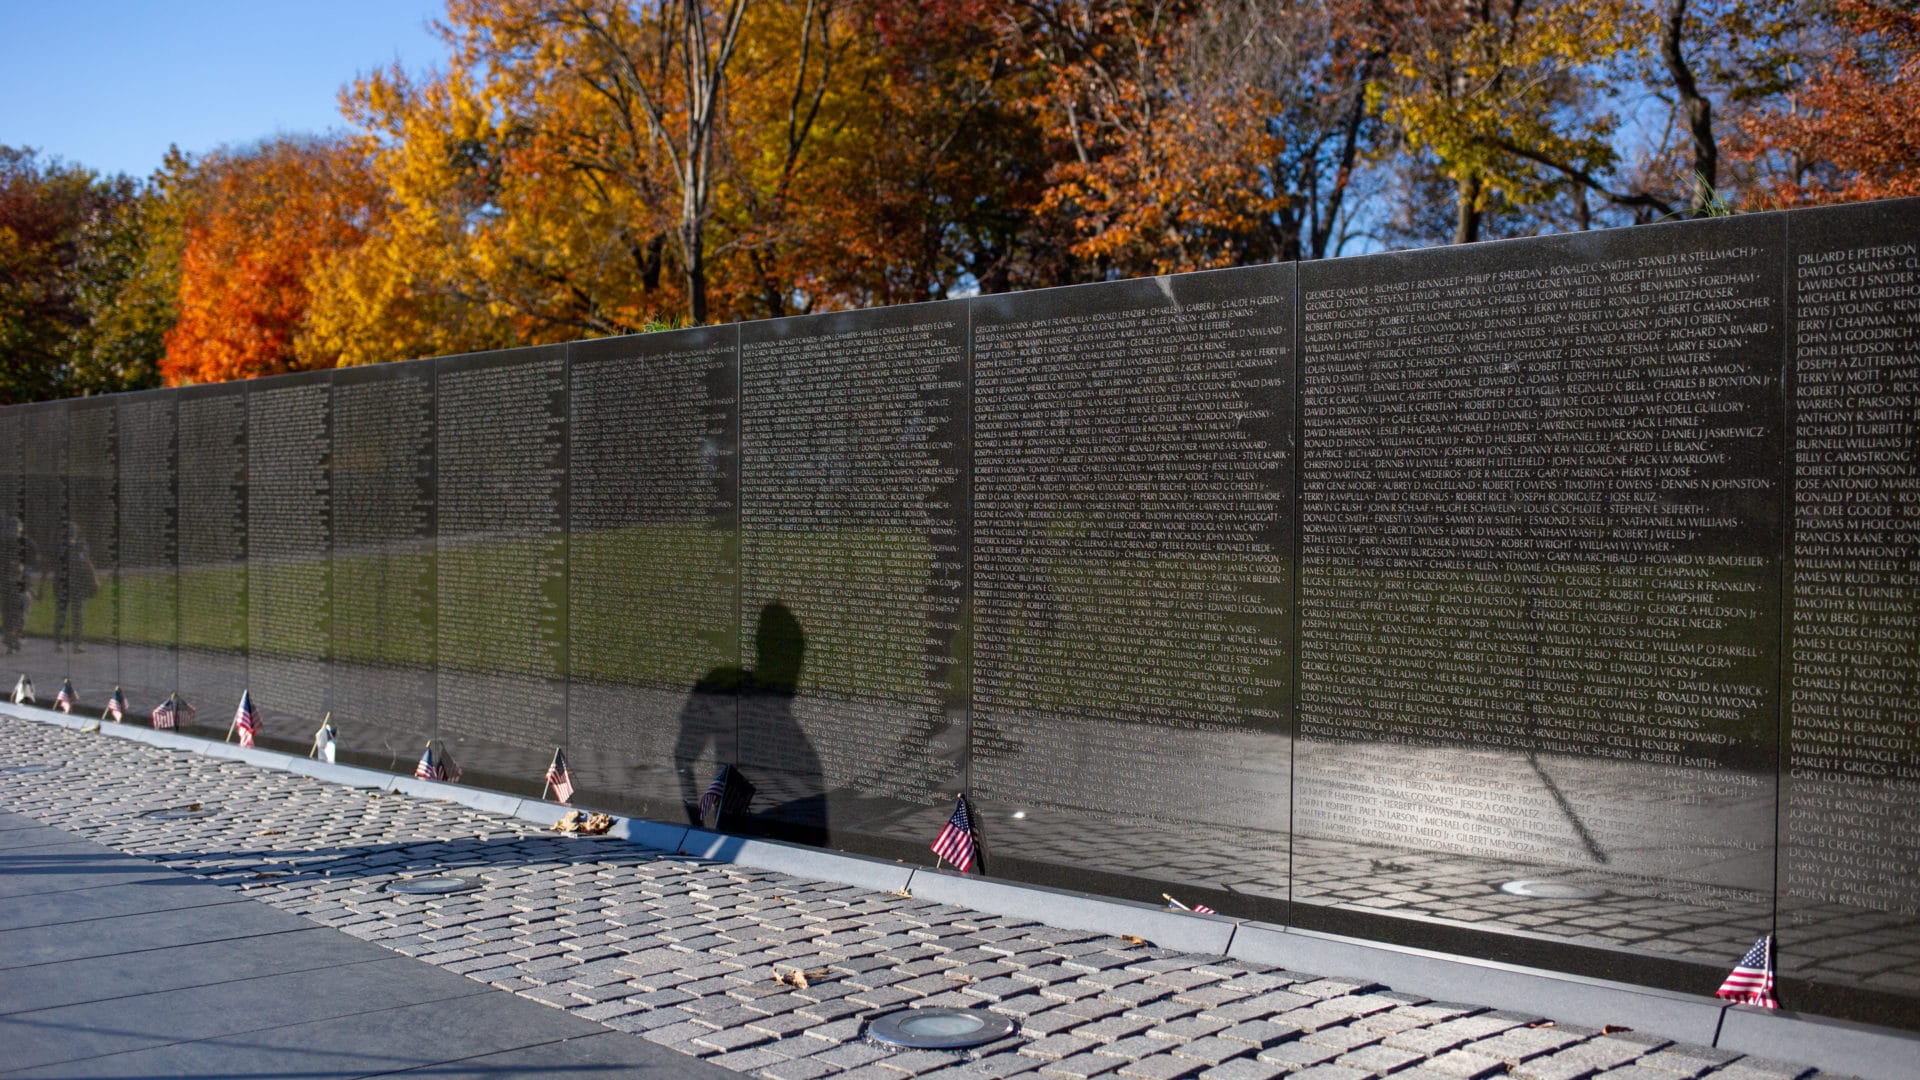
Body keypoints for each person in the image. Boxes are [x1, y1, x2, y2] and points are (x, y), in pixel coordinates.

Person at [49, 522, 96, 653]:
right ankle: (62, 643)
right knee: (65, 614)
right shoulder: (60, 548)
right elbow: (50, 565)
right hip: (64, 583)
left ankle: (73, 643)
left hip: (75, 584)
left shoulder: (80, 546)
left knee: (75, 614)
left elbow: (87, 562)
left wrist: (93, 579)